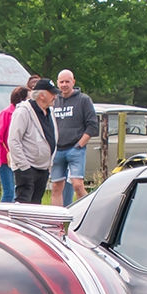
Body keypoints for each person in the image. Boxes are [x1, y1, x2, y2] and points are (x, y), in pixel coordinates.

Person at [49, 70, 98, 206]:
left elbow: (92, 125)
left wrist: (80, 144)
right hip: (57, 150)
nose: (64, 85)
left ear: (73, 82)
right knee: (56, 187)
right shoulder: (54, 100)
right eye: (61, 82)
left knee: (77, 185)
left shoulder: (83, 100)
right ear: (58, 83)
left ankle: (88, 210)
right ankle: (56, 219)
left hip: (75, 149)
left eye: (67, 81)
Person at [7, 78, 58, 205]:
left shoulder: (50, 112)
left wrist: (49, 164)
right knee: (24, 204)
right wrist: (24, 167)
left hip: (43, 168)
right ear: (41, 95)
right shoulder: (23, 112)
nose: (55, 96)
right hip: (27, 167)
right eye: (52, 93)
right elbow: (13, 141)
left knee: (36, 205)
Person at [0, 86, 27, 203]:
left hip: (18, 157)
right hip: (5, 159)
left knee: (17, 191)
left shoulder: (24, 114)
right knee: (9, 192)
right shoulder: (6, 114)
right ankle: (2, 216)